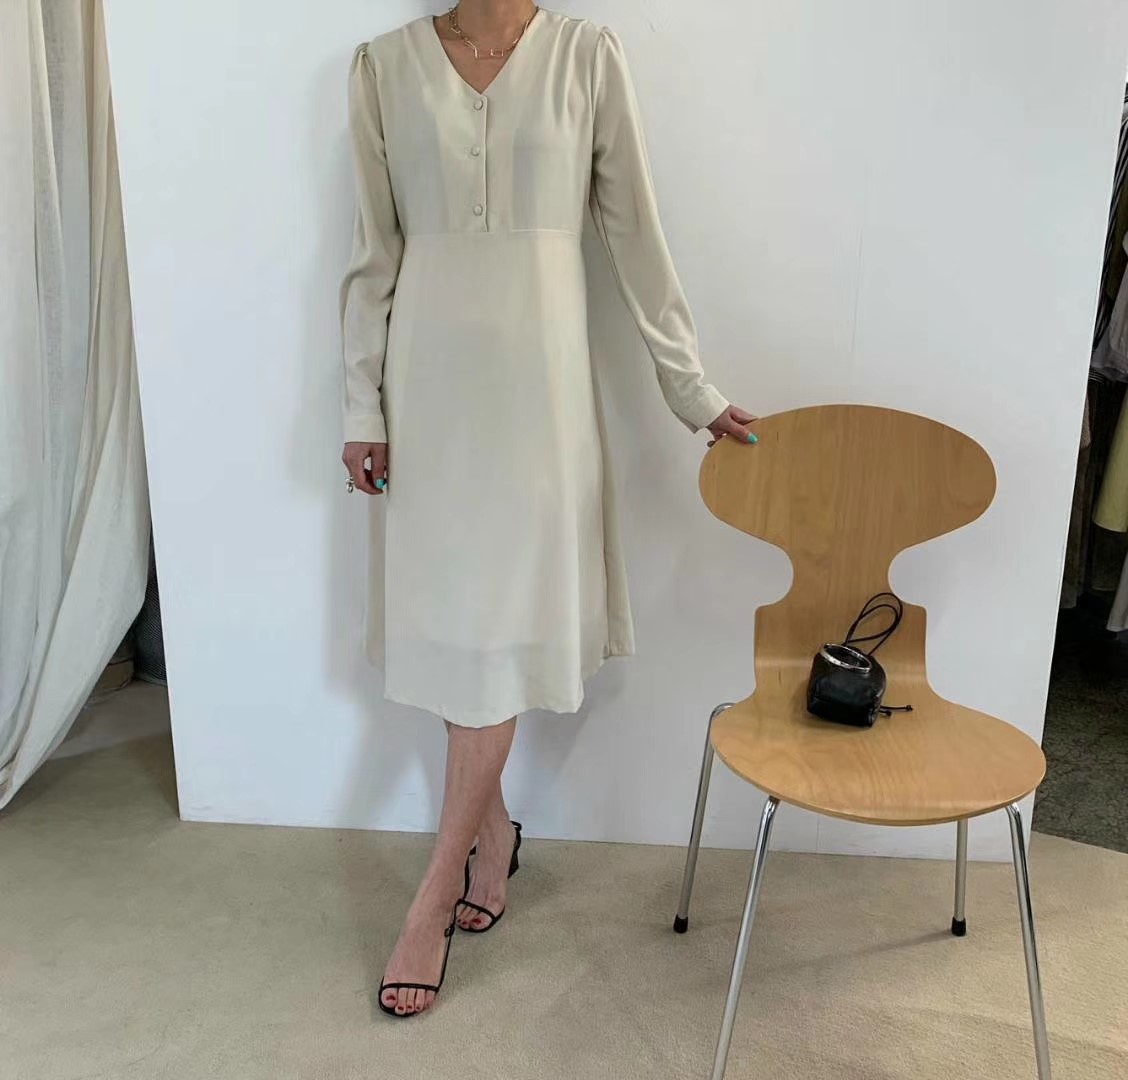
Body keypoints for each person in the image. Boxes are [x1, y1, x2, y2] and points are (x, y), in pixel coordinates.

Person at [339, 2, 756, 1019]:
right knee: (457, 632)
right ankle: (493, 835)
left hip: (541, 396)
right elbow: (373, 252)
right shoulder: (382, 67)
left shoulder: (586, 58)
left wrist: (690, 388)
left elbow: (636, 234)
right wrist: (361, 404)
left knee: (502, 630)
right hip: (429, 393)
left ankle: (433, 895)